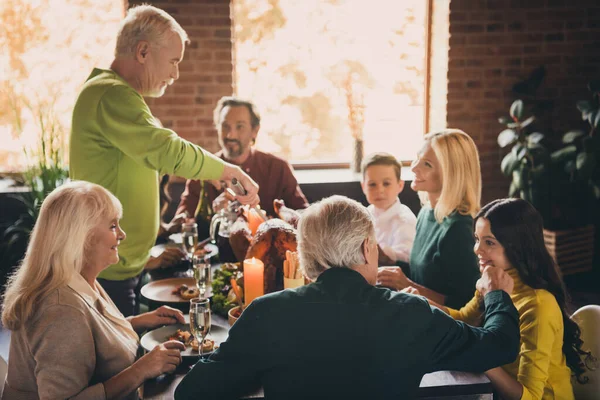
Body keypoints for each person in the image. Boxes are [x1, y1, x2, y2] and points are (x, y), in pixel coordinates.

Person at [174, 195, 520, 400]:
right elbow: (499, 346)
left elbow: (191, 392)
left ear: (307, 259)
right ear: (368, 249)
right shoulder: (412, 314)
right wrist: (497, 296)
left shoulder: (266, 313)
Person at [69, 5, 259, 316]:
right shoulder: (111, 94)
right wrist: (227, 170)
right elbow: (166, 150)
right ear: (143, 52)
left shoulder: (116, 96)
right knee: (118, 362)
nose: (175, 73)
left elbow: (144, 163)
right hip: (107, 269)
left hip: (121, 264)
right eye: (173, 61)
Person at [1, 181, 186, 400]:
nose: (122, 234)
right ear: (81, 238)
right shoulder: (60, 309)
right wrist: (141, 370)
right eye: (113, 226)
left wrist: (137, 321)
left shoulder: (78, 279)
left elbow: (89, 338)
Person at [440, 198, 590, 400]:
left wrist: (484, 358)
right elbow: (464, 318)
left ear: (517, 246)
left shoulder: (537, 305)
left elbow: (531, 397)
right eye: (477, 239)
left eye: (489, 242)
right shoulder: (494, 279)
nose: (477, 249)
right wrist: (416, 303)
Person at [377, 129, 481, 308]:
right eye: (418, 158)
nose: (414, 167)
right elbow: (427, 275)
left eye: (427, 164)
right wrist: (391, 262)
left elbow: (467, 306)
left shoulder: (460, 229)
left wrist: (407, 285)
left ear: (451, 174)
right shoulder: (427, 212)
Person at [173, 96, 309, 231]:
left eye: (240, 127)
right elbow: (181, 222)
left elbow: (304, 216)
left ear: (254, 131)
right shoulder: (201, 171)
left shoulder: (278, 168)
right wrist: (214, 216)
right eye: (225, 126)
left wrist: (279, 217)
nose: (230, 135)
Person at [360, 152, 416, 265]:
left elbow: (405, 258)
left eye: (386, 183)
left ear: (400, 186)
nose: (379, 190)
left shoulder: (404, 220)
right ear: (363, 186)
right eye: (372, 184)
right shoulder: (365, 214)